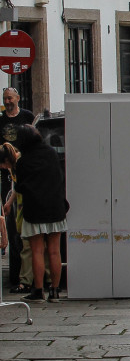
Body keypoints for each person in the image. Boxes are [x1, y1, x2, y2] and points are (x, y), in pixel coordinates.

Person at [2, 125, 67, 303]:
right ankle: (55, 291)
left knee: (37, 251)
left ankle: (38, 291)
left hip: (34, 210)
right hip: (55, 207)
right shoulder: (51, 153)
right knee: (54, 251)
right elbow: (60, 177)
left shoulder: (23, 161)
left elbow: (20, 187)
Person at [1, 87, 33, 291]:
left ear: (18, 98)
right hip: (7, 176)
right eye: (5, 99)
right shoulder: (0, 119)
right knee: (12, 229)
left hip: (20, 176)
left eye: (10, 98)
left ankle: (25, 277)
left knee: (22, 234)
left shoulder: (27, 116)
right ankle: (18, 275)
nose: (8, 101)